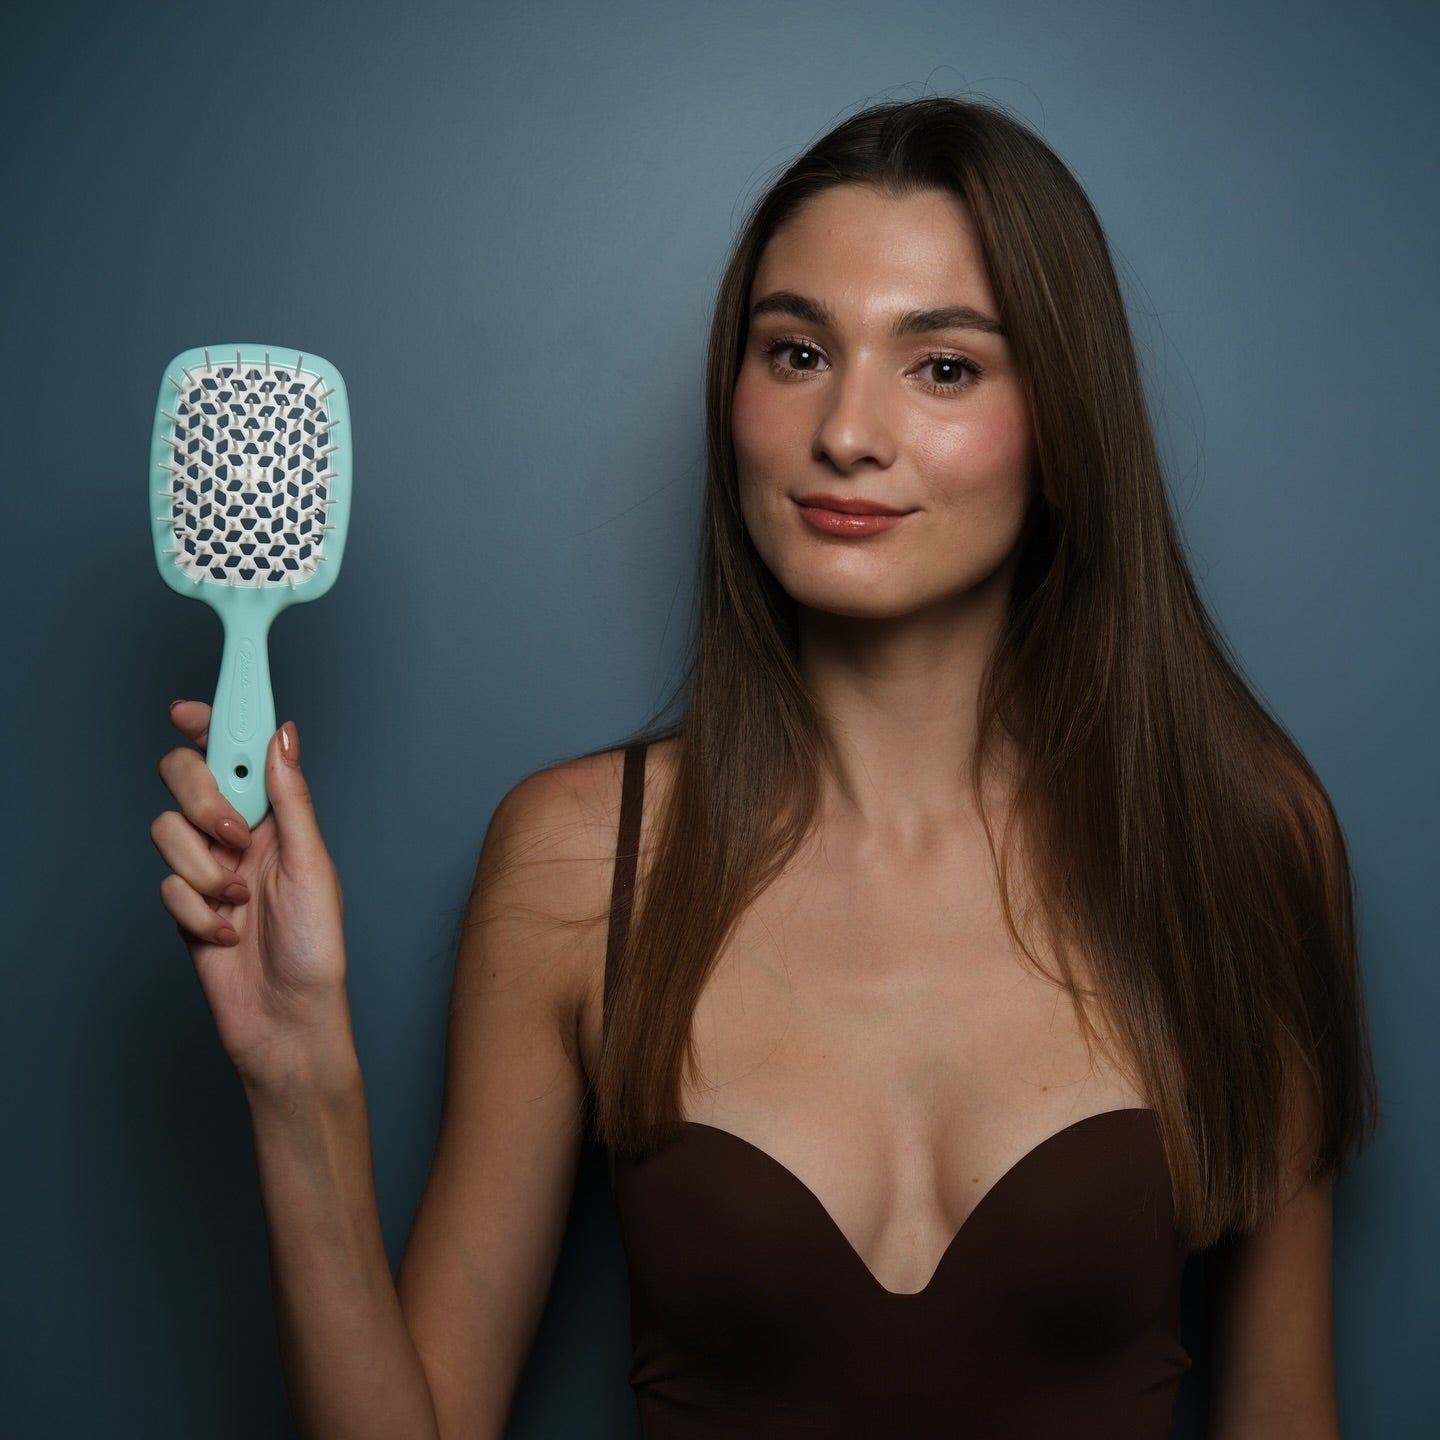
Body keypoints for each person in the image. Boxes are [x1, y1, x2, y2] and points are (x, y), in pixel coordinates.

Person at [151, 97, 1375, 1438]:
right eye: (795, 351)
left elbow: (1285, 1415)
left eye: (944, 367)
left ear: (1065, 425)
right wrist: (298, 1080)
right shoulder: (578, 861)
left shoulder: (1241, 838)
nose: (845, 430)